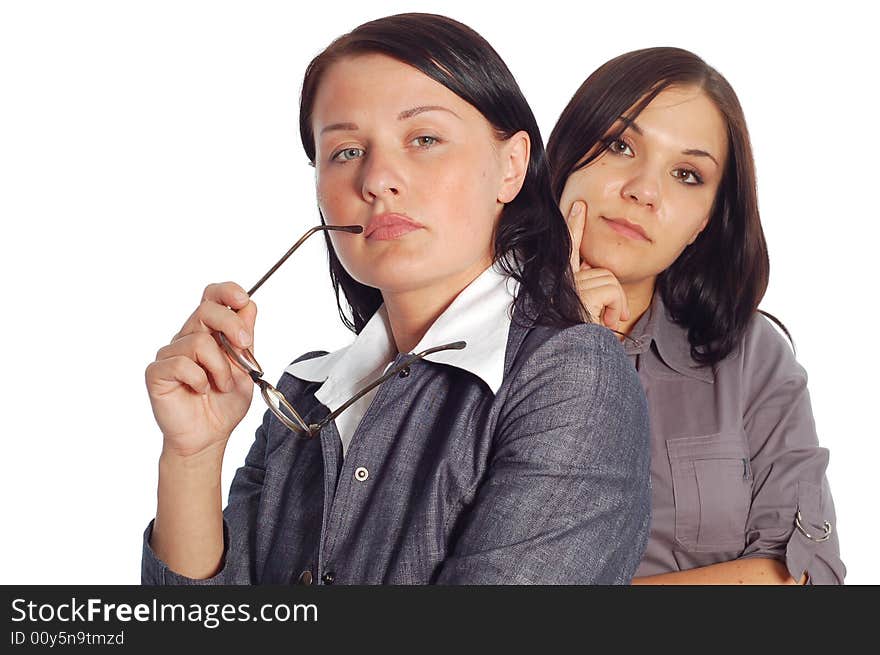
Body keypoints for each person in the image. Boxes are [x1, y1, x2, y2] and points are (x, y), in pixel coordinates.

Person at [141, 13, 651, 585]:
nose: (378, 179)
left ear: (510, 167)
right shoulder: (301, 397)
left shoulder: (570, 376)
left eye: (424, 139)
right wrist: (192, 456)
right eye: (345, 152)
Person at [547, 47, 844, 584]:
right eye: (620, 146)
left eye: (686, 174)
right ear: (564, 155)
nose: (643, 191)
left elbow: (806, 577)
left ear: (704, 221)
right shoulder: (465, 334)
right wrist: (570, 352)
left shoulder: (750, 355)